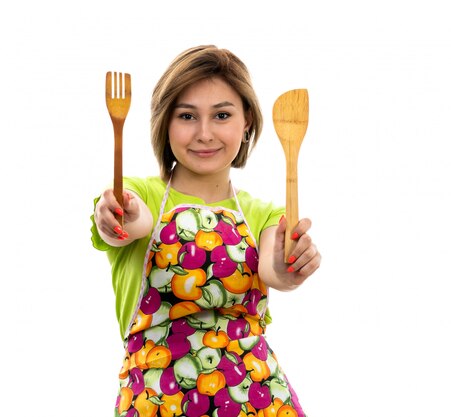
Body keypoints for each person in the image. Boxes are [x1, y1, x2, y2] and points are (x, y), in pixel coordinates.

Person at [91, 44, 321, 417]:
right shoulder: (140, 194)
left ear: (246, 121)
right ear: (166, 122)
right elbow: (133, 221)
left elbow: (274, 272)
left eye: (222, 115)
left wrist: (289, 263)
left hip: (259, 398)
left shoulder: (263, 214)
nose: (204, 133)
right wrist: (117, 213)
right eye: (187, 116)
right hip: (156, 402)